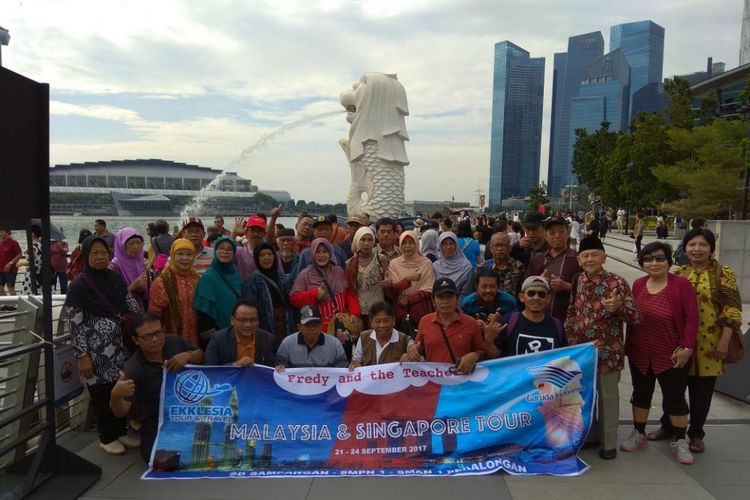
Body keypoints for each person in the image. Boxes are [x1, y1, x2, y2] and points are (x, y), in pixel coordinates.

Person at [649, 229, 743, 454]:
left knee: (702, 393)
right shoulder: (679, 273)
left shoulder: (724, 273)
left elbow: (733, 309)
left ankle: (696, 434)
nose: (697, 249)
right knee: (674, 389)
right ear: (685, 247)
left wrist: (724, 342)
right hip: (680, 344)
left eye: (703, 245)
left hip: (711, 344)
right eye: (692, 244)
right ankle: (669, 425)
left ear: (711, 248)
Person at [621, 241, 698, 465]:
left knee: (674, 398)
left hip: (672, 354)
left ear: (668, 261)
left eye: (659, 258)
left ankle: (680, 439)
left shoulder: (681, 285)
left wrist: (687, 347)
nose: (654, 263)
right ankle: (639, 433)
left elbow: (692, 319)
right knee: (640, 394)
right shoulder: (638, 284)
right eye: (648, 259)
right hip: (641, 352)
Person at [64, 235, 141, 455]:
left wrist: (144, 326)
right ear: (86, 256)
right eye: (95, 253)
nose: (100, 257)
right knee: (101, 394)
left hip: (119, 348)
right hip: (95, 351)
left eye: (104, 253)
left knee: (120, 388)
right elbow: (75, 323)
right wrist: (82, 356)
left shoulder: (114, 278)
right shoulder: (79, 285)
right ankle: (106, 437)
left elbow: (130, 304)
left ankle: (121, 430)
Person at [565, 236, 640, 460]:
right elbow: (571, 312)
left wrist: (618, 307)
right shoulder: (577, 280)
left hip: (608, 352)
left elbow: (636, 317)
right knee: (585, 397)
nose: (590, 259)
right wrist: (571, 339)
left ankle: (608, 445)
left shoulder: (617, 282)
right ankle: (590, 436)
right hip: (581, 353)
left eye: (595, 254)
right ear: (579, 259)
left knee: (607, 400)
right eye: (585, 255)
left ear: (604, 257)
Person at [110, 313, 203, 462]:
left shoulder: (174, 341)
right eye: (147, 336)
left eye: (158, 333)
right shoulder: (133, 369)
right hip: (157, 417)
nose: (155, 339)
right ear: (136, 340)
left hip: (191, 409)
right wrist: (115, 396)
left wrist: (189, 356)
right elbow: (121, 412)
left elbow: (201, 354)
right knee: (156, 458)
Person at [401, 278, 484, 374]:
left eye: (449, 297)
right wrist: (412, 351)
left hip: (462, 381)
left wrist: (474, 355)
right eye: (441, 297)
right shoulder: (425, 321)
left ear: (457, 298)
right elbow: (420, 349)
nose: (445, 301)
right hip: (435, 383)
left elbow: (481, 353)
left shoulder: (471, 323)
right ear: (433, 300)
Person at [290, 238, 362, 342]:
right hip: (319, 327)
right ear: (313, 254)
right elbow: (294, 299)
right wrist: (314, 294)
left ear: (330, 253)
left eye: (325, 251)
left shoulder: (338, 271)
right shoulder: (305, 274)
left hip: (341, 326)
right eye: (318, 252)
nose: (321, 255)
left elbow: (349, 292)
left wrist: (354, 313)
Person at [483, 276, 566, 358]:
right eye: (531, 293)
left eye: (541, 294)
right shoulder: (508, 321)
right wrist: (488, 340)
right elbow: (492, 356)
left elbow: (564, 357)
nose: (536, 298)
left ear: (548, 299)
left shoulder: (557, 325)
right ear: (521, 297)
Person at [526, 217, 580, 322]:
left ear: (568, 233)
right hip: (538, 319)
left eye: (561, 232)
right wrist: (537, 282)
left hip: (568, 321)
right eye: (552, 233)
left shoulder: (577, 259)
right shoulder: (538, 260)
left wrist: (567, 286)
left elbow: (588, 290)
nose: (557, 236)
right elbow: (525, 287)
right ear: (545, 236)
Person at [148, 238, 200, 346]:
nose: (185, 258)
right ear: (172, 255)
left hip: (196, 339)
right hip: (171, 341)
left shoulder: (196, 278)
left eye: (189, 254)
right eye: (180, 254)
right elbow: (155, 315)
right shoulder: (162, 282)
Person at [241, 242, 295, 346]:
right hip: (266, 326)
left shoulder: (281, 277)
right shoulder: (252, 280)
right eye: (262, 255)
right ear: (257, 258)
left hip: (285, 323)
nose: (267, 258)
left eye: (270, 254)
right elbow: (250, 310)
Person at [193, 236, 242, 338]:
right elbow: (203, 314)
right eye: (221, 248)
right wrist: (211, 340)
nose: (225, 251)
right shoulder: (208, 278)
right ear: (215, 251)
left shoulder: (235, 274)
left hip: (237, 329)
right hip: (215, 334)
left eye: (229, 249)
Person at [387, 230, 436, 328]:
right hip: (401, 310)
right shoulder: (394, 264)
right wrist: (408, 279)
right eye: (404, 243)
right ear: (400, 245)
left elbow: (429, 288)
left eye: (411, 242)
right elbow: (393, 288)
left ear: (417, 244)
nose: (407, 246)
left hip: (421, 308)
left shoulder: (426, 263)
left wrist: (408, 298)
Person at [204, 299, 276, 367]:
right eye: (242, 320)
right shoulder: (218, 339)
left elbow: (271, 367)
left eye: (252, 320)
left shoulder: (267, 338)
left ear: (258, 321)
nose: (248, 324)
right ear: (232, 320)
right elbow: (210, 369)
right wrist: (235, 365)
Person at [275, 305, 348, 369]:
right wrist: (279, 368)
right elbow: (279, 371)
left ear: (321, 325)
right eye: (307, 325)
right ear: (299, 327)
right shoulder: (287, 344)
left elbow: (342, 372)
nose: (312, 328)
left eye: (316, 324)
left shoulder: (335, 345)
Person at [345, 227, 388, 329]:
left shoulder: (381, 259)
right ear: (357, 241)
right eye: (363, 239)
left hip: (378, 310)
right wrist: (354, 312)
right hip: (359, 312)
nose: (366, 243)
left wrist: (388, 281)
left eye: (370, 240)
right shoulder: (349, 264)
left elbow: (388, 277)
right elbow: (349, 289)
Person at [349, 301, 413, 369]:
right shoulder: (363, 337)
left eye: (386, 320)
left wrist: (410, 359)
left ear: (393, 320)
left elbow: (419, 362)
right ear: (371, 322)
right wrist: (355, 365)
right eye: (378, 321)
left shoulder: (405, 340)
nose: (382, 325)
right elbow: (356, 361)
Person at [109, 227, 149, 309]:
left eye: (139, 243)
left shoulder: (141, 262)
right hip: (124, 310)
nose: (136, 247)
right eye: (132, 243)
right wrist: (133, 286)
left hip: (142, 307)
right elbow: (111, 296)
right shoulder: (113, 267)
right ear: (122, 246)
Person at [433, 231, 473, 301]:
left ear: (456, 245)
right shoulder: (435, 266)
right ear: (440, 246)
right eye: (445, 244)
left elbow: (465, 292)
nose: (449, 247)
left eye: (452, 243)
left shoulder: (466, 266)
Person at [483, 232, 524, 297]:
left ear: (510, 248)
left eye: (503, 245)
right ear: (491, 248)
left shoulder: (519, 266)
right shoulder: (484, 267)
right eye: (496, 245)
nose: (499, 248)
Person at [0, 229, 22, 296]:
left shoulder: (13, 242)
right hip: (0, 269)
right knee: (0, 288)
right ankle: (5, 305)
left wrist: (10, 263)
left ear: (7, 232)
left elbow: (20, 254)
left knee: (10, 287)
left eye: (1, 232)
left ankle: (14, 305)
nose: (0, 233)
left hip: (11, 270)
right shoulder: (0, 243)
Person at [22, 225, 42, 295]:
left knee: (30, 292)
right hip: (40, 272)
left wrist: (20, 263)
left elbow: (30, 261)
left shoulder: (32, 247)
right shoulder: (41, 244)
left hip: (32, 273)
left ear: (33, 234)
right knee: (39, 291)